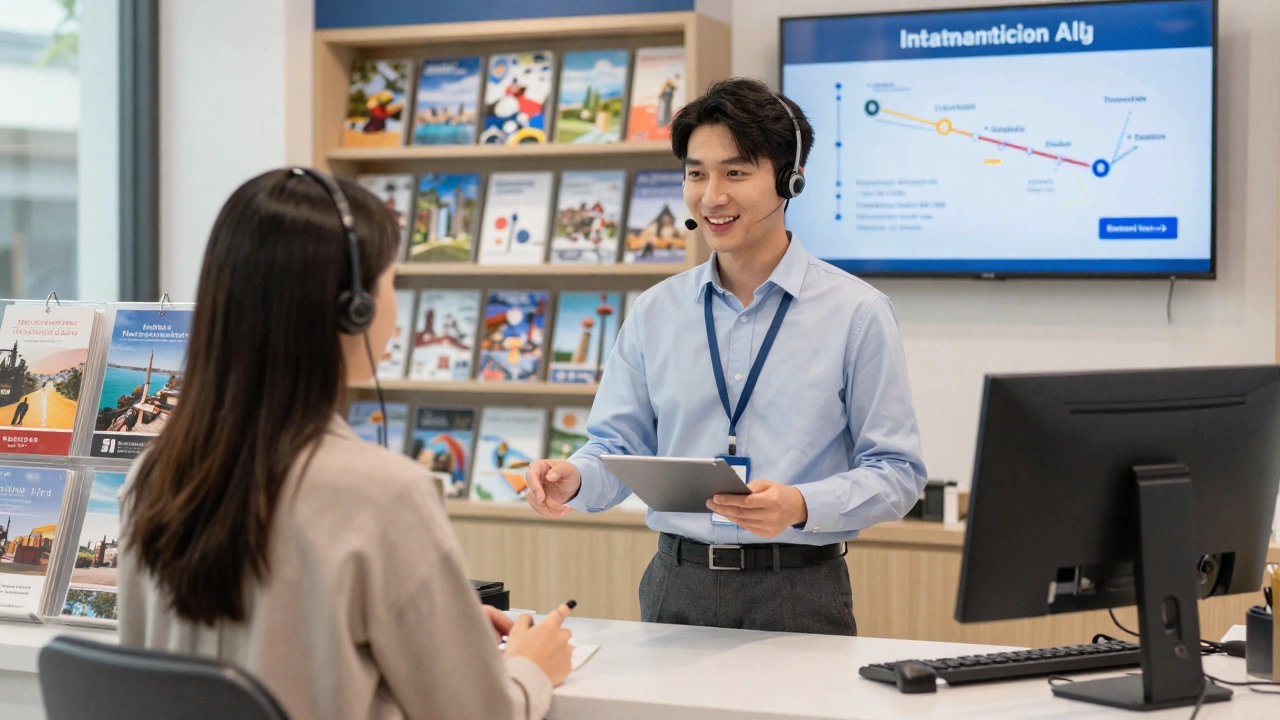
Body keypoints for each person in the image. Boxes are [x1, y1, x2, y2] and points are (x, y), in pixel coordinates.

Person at [117, 168, 572, 720]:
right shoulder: (383, 493)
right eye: (391, 283)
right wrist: (530, 666)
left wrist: (438, 627)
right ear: (352, 309)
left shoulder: (151, 477)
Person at [525, 78, 928, 636]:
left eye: (735, 173)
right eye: (696, 173)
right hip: (675, 581)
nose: (711, 196)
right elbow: (618, 448)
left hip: (799, 588)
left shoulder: (857, 312)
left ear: (790, 180)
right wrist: (574, 476)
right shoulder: (655, 311)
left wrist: (800, 504)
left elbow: (898, 473)